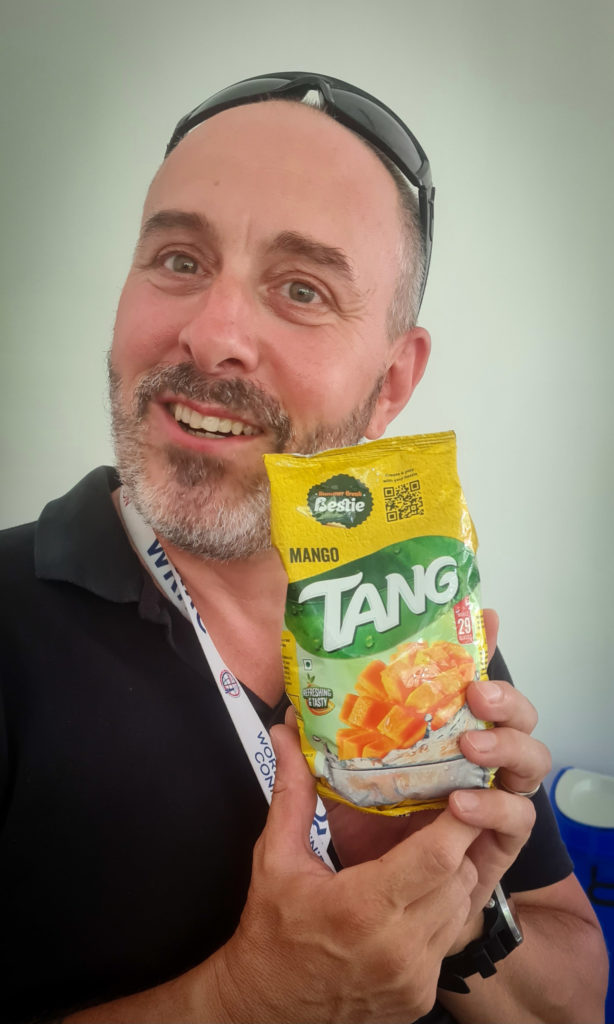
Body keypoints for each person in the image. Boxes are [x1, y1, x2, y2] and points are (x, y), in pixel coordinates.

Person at [0, 73, 607, 1024]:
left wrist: (451, 905)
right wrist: (241, 1001)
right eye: (179, 259)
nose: (212, 337)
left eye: (300, 289)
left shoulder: (417, 620)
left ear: (391, 383)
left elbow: (574, 997)